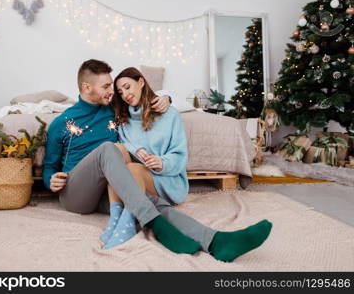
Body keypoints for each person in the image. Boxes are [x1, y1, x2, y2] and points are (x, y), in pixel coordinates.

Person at [43, 59, 272, 262]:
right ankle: (145, 226)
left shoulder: (114, 109)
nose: (112, 92)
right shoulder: (61, 123)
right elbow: (49, 166)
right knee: (110, 149)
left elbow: (149, 100)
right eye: (105, 87)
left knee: (148, 199)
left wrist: (165, 98)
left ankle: (215, 241)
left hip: (107, 190)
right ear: (86, 87)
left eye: (114, 88)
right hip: (76, 194)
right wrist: (49, 180)